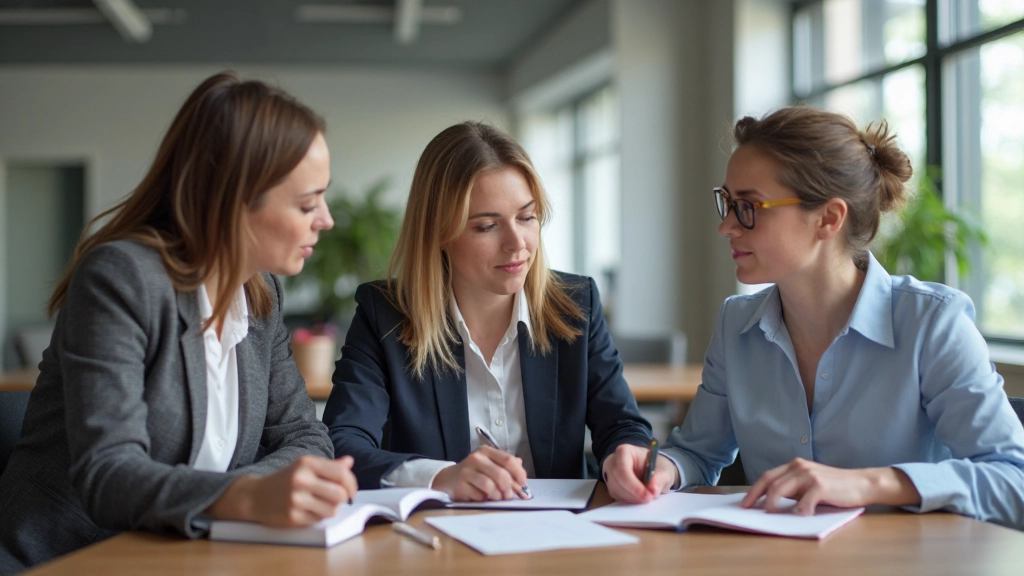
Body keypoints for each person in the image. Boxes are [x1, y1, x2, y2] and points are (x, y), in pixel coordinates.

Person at [0, 72, 359, 573]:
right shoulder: (122, 279)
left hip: (193, 558)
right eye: (306, 203)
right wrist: (252, 495)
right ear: (233, 201)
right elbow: (109, 473)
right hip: (76, 560)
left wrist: (278, 491)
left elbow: (305, 436)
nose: (326, 219)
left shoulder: (262, 294)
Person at [603, 106, 1024, 529]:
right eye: (727, 203)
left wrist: (869, 484)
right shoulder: (737, 324)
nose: (727, 226)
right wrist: (661, 469)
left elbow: (1013, 479)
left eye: (748, 206)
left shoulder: (931, 323)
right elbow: (698, 453)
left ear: (828, 218)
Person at [322, 121, 652, 501]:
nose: (517, 244)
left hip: (560, 536)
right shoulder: (385, 315)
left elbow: (622, 424)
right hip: (434, 541)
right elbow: (343, 444)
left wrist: (625, 454)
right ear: (438, 233)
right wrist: (441, 476)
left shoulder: (577, 304)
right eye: (486, 226)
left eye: (527, 217)